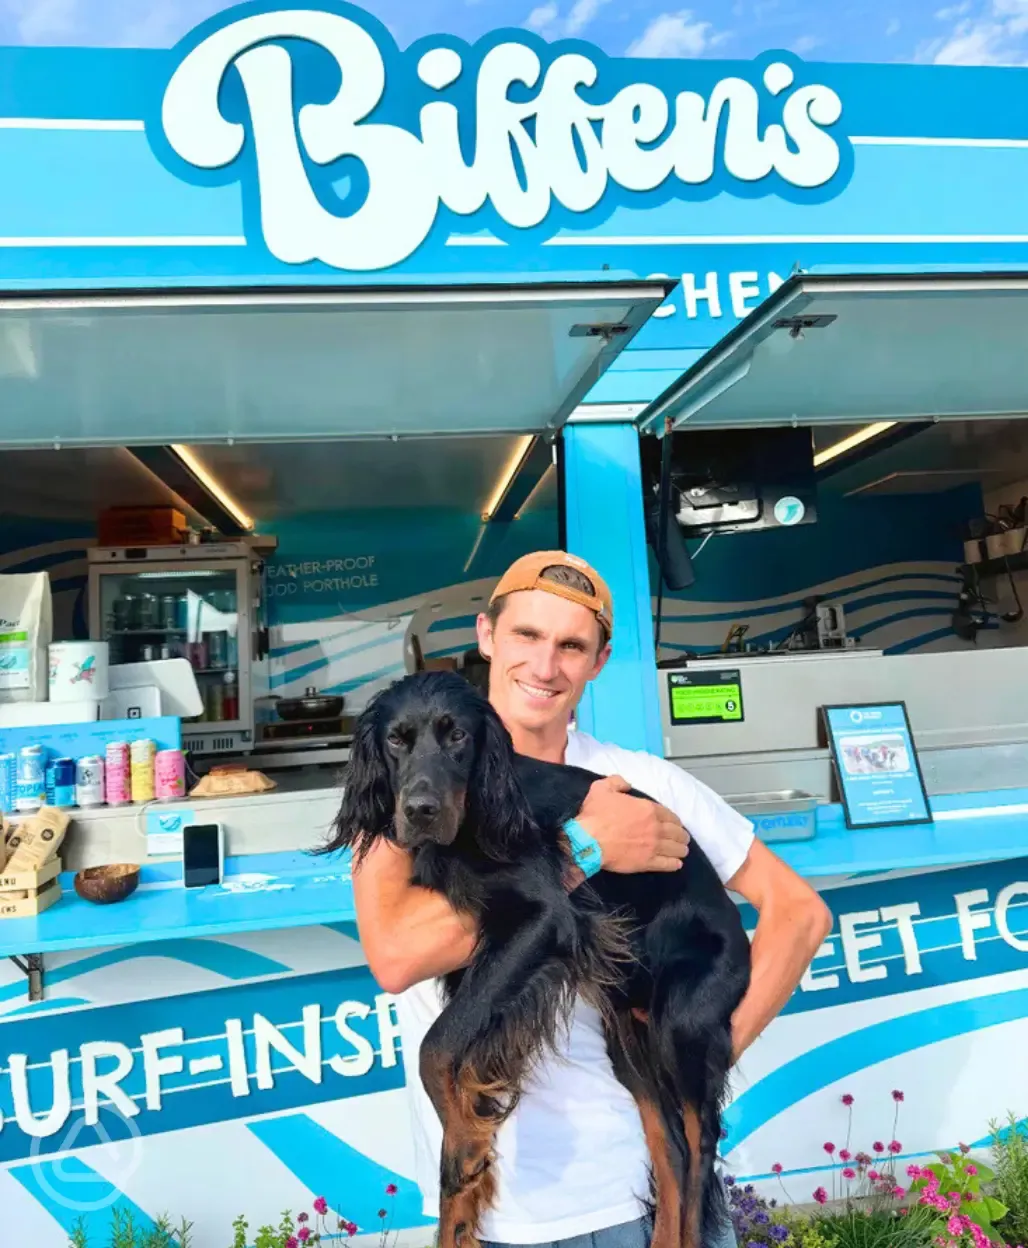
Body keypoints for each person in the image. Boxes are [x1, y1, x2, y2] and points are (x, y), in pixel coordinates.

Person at [351, 551, 832, 1248]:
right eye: (526, 637)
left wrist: (695, 1061)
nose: (545, 667)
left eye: (571, 646)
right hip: (500, 1208)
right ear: (487, 635)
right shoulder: (407, 796)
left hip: (633, 1191)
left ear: (599, 661)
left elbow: (800, 913)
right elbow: (396, 957)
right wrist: (586, 849)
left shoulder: (639, 780)